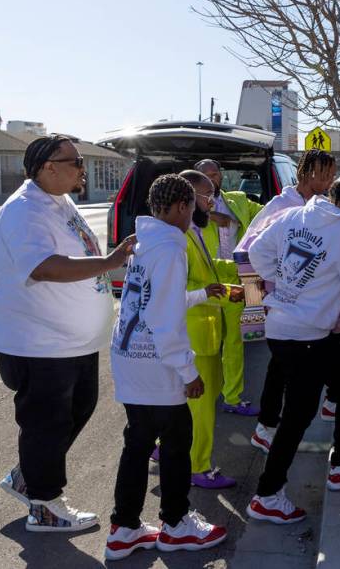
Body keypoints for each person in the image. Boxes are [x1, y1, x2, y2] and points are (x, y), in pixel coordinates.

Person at [0, 135, 135, 532]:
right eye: (73, 161)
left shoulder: (59, 200)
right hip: (39, 343)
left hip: (69, 343)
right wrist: (108, 261)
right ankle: (45, 505)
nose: (81, 167)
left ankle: (28, 477)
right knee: (46, 423)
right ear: (47, 167)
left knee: (78, 408)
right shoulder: (24, 210)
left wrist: (110, 260)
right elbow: (45, 266)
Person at [246, 174, 340, 524]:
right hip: (307, 334)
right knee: (298, 416)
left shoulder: (295, 216)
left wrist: (287, 277)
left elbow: (258, 252)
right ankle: (267, 494)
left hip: (282, 326)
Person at [106, 174, 227, 560]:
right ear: (179, 207)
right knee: (177, 443)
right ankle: (175, 524)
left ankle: (124, 527)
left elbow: (156, 300)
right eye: (192, 206)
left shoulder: (146, 242)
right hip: (156, 364)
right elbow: (163, 319)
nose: (193, 214)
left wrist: (198, 294)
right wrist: (188, 372)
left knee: (137, 443)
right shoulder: (171, 249)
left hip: (129, 357)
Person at [251, 150, 339, 453]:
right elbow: (251, 247)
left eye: (332, 174)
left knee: (286, 367)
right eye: (323, 174)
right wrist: (281, 275)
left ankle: (271, 423)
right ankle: (267, 426)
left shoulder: (321, 207)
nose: (329, 181)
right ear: (303, 173)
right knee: (280, 368)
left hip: (306, 305)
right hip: (284, 301)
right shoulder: (281, 206)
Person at [179, 170, 245, 489]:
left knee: (199, 406)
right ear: (188, 198)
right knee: (200, 412)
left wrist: (243, 270)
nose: (212, 202)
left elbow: (210, 269)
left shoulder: (194, 230)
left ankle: (184, 458)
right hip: (195, 337)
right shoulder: (179, 237)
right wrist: (229, 290)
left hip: (206, 333)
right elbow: (186, 285)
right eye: (207, 197)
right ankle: (198, 467)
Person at [193, 159, 264, 416]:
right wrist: (209, 215)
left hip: (237, 278)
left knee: (235, 342)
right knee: (205, 346)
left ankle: (232, 397)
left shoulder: (239, 200)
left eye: (217, 173)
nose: (214, 179)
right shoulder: (191, 208)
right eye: (207, 175)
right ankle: (199, 395)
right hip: (206, 282)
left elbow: (268, 214)